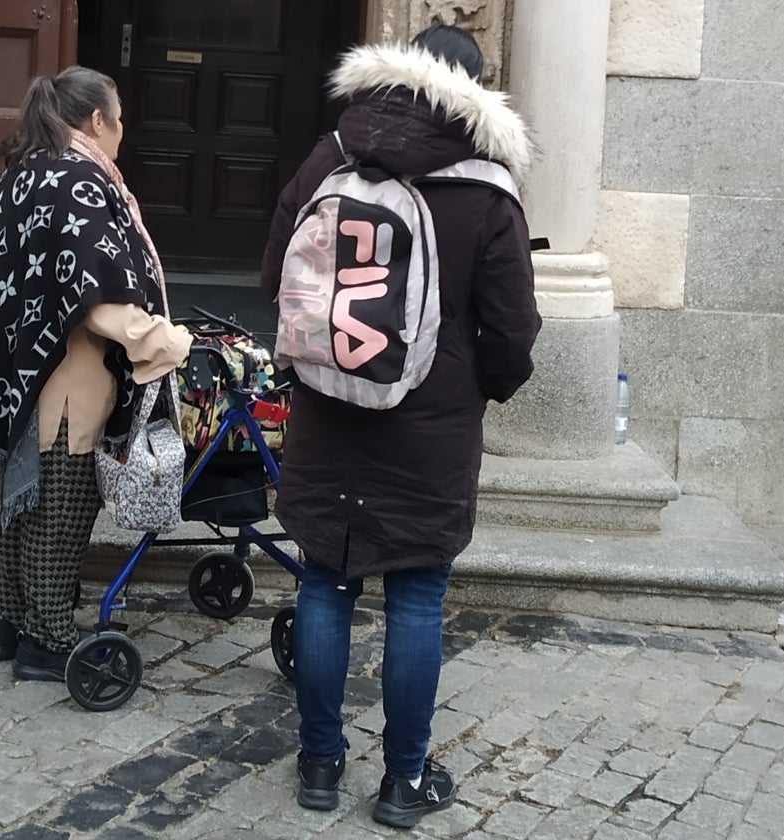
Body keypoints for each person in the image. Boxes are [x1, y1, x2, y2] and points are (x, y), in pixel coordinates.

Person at [260, 25, 541, 830]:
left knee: (325, 581)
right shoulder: (487, 189)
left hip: (327, 405)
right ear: (476, 91)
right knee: (417, 596)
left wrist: (302, 372)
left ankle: (319, 765)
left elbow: (277, 276)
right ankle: (402, 783)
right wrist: (480, 388)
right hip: (433, 422)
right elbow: (513, 328)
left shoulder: (330, 156)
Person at [0, 67, 192, 682]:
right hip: (67, 381)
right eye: (118, 116)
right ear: (97, 120)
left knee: (23, 504)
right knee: (60, 513)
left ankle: (10, 622)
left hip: (19, 377)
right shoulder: (78, 180)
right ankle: (45, 643)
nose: (123, 128)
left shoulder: (29, 170)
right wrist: (167, 341)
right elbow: (96, 298)